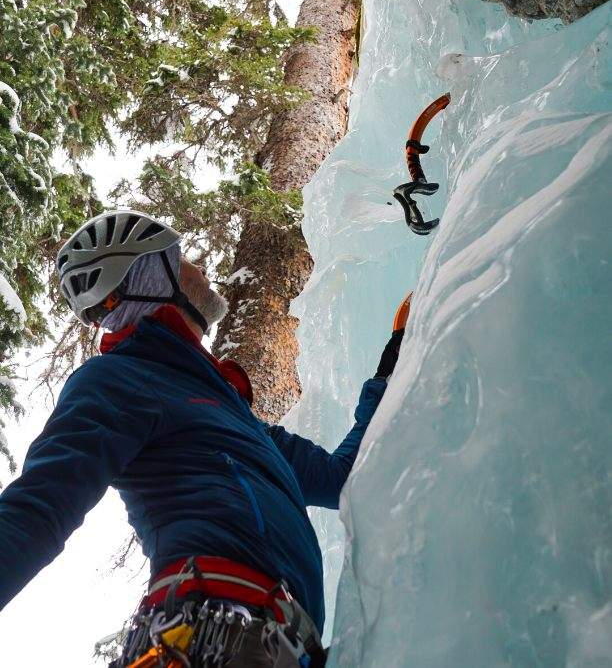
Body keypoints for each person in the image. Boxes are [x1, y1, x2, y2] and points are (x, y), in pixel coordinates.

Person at [0, 210, 403, 666]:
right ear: (151, 280)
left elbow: (338, 477)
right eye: (182, 259)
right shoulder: (120, 379)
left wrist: (387, 375)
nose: (200, 270)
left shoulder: (234, 417)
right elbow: (39, 506)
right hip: (205, 637)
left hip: (284, 643)